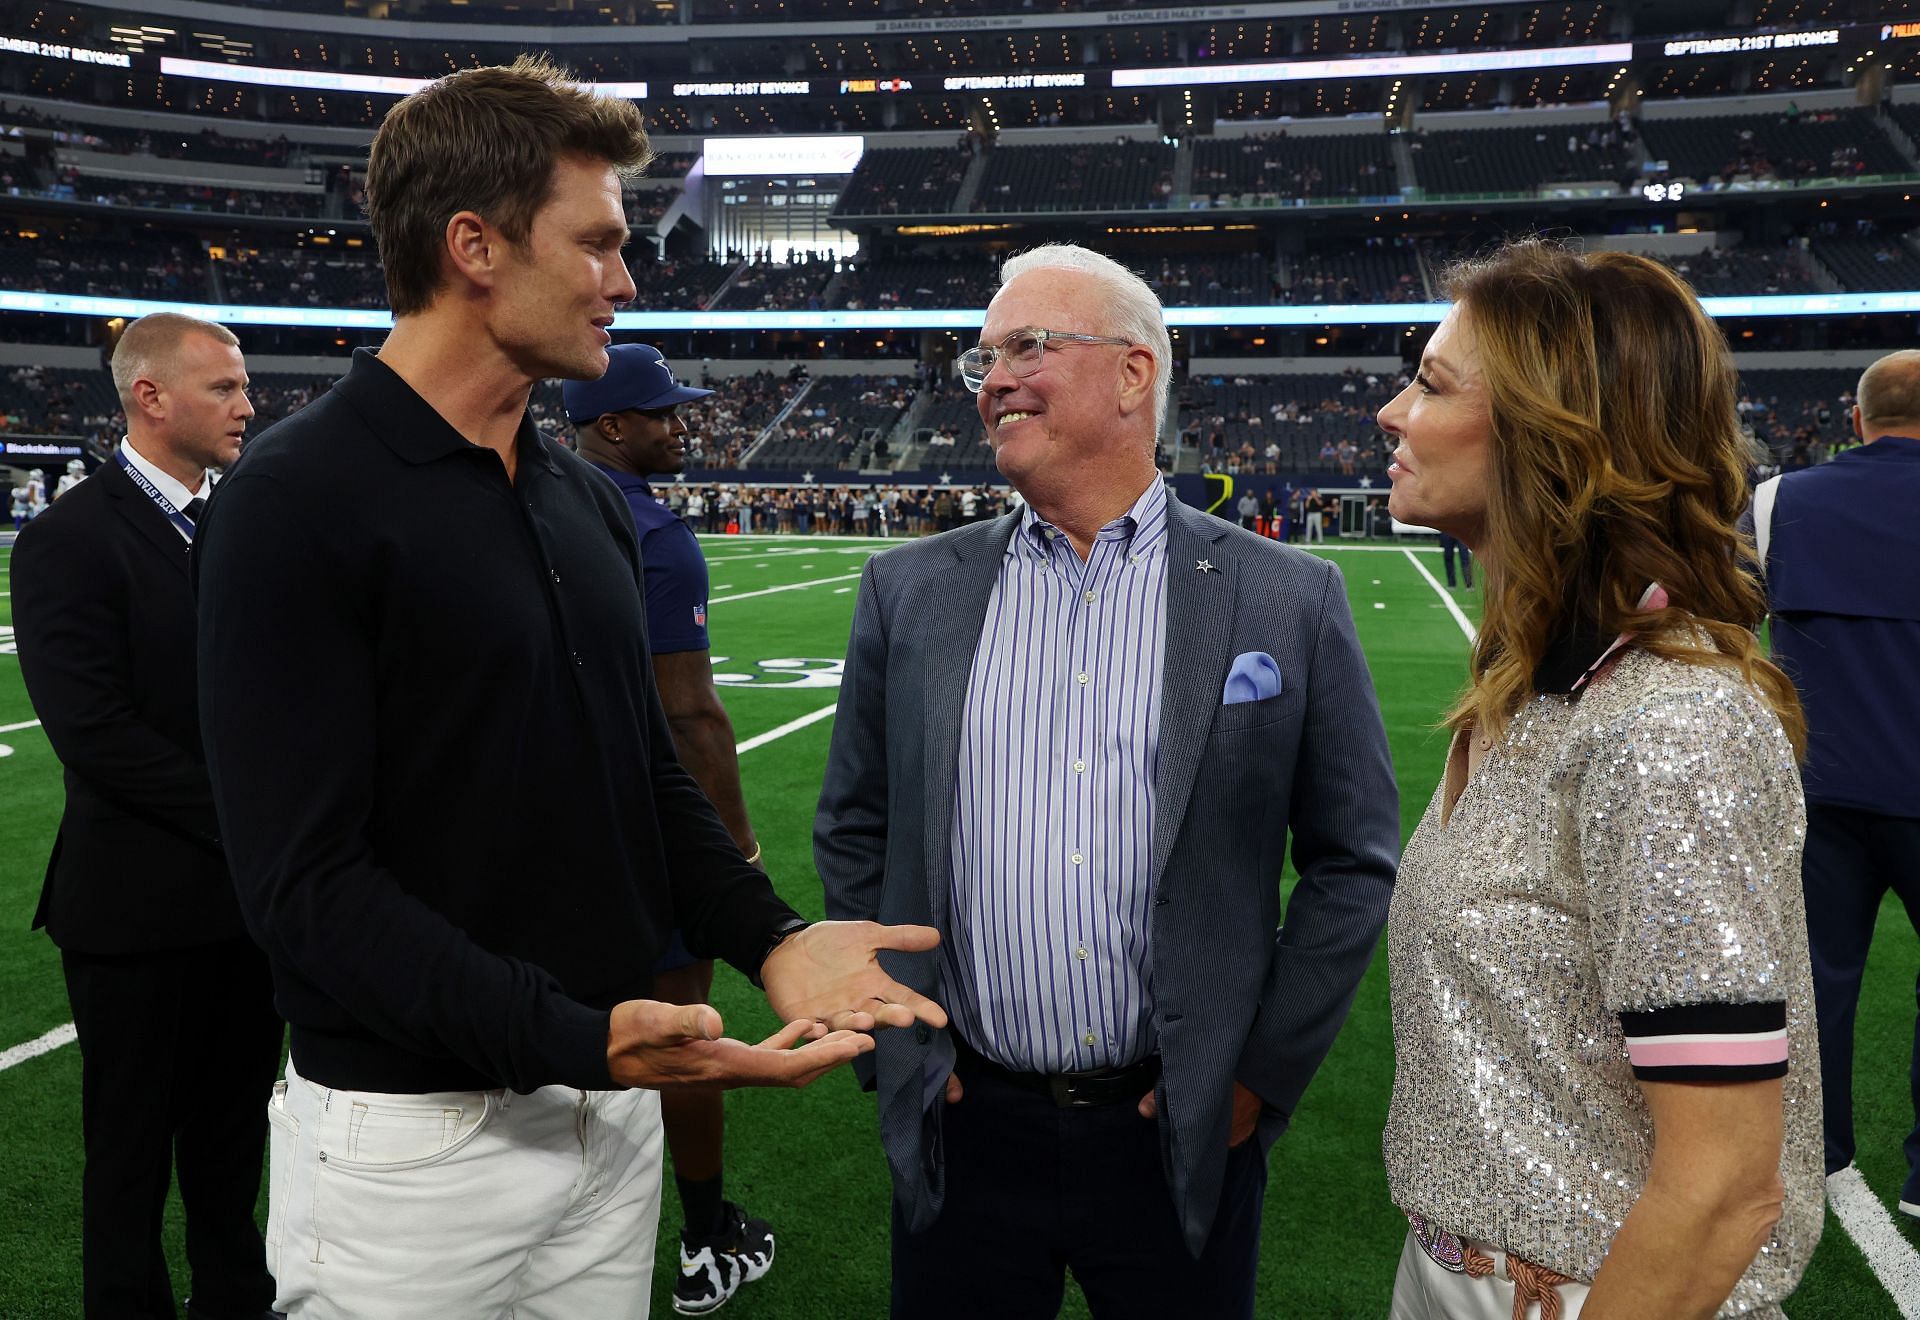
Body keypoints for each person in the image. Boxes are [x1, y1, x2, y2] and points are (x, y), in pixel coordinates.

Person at [192, 58, 944, 1320]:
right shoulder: (293, 504)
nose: (626, 280)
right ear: (474, 246)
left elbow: (640, 771)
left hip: (611, 1112)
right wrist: (577, 1036)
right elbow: (303, 886)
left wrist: (771, 938)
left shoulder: (580, 495)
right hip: (416, 1147)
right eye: (595, 243)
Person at [815, 243, 1399, 1319]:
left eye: (1030, 346)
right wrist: (893, 1036)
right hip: (967, 1118)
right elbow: (856, 828)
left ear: (1135, 375)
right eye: (984, 357)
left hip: (1177, 1122)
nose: (994, 378)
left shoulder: (1287, 595)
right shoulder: (908, 591)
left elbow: (1355, 861)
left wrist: (1257, 1077)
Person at [1377, 239, 1822, 1319]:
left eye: (1431, 383)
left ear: (1551, 433)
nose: (1393, 411)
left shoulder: (1668, 728)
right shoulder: (1539, 688)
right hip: (1470, 1272)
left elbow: (1723, 1188)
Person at [11, 312, 282, 1320]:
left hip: (242, 907)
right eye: (224, 387)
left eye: (245, 385)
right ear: (149, 397)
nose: (248, 404)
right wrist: (264, 813)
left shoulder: (239, 523)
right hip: (134, 912)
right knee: (127, 1156)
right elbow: (98, 738)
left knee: (230, 1144)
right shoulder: (65, 541)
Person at [562, 344, 777, 1314]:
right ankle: (706, 1237)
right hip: (648, 829)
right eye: (663, 414)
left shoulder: (526, 500)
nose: (678, 426)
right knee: (679, 1027)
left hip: (547, 824)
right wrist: (736, 850)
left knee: (570, 1031)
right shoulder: (651, 531)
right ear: (614, 424)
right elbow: (688, 712)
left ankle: (567, 1230)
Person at [1751, 348, 1920, 1211]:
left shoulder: (1781, 501)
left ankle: (1815, 1151)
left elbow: (1708, 613)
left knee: (1816, 979)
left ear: (1857, 419)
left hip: (1818, 792)